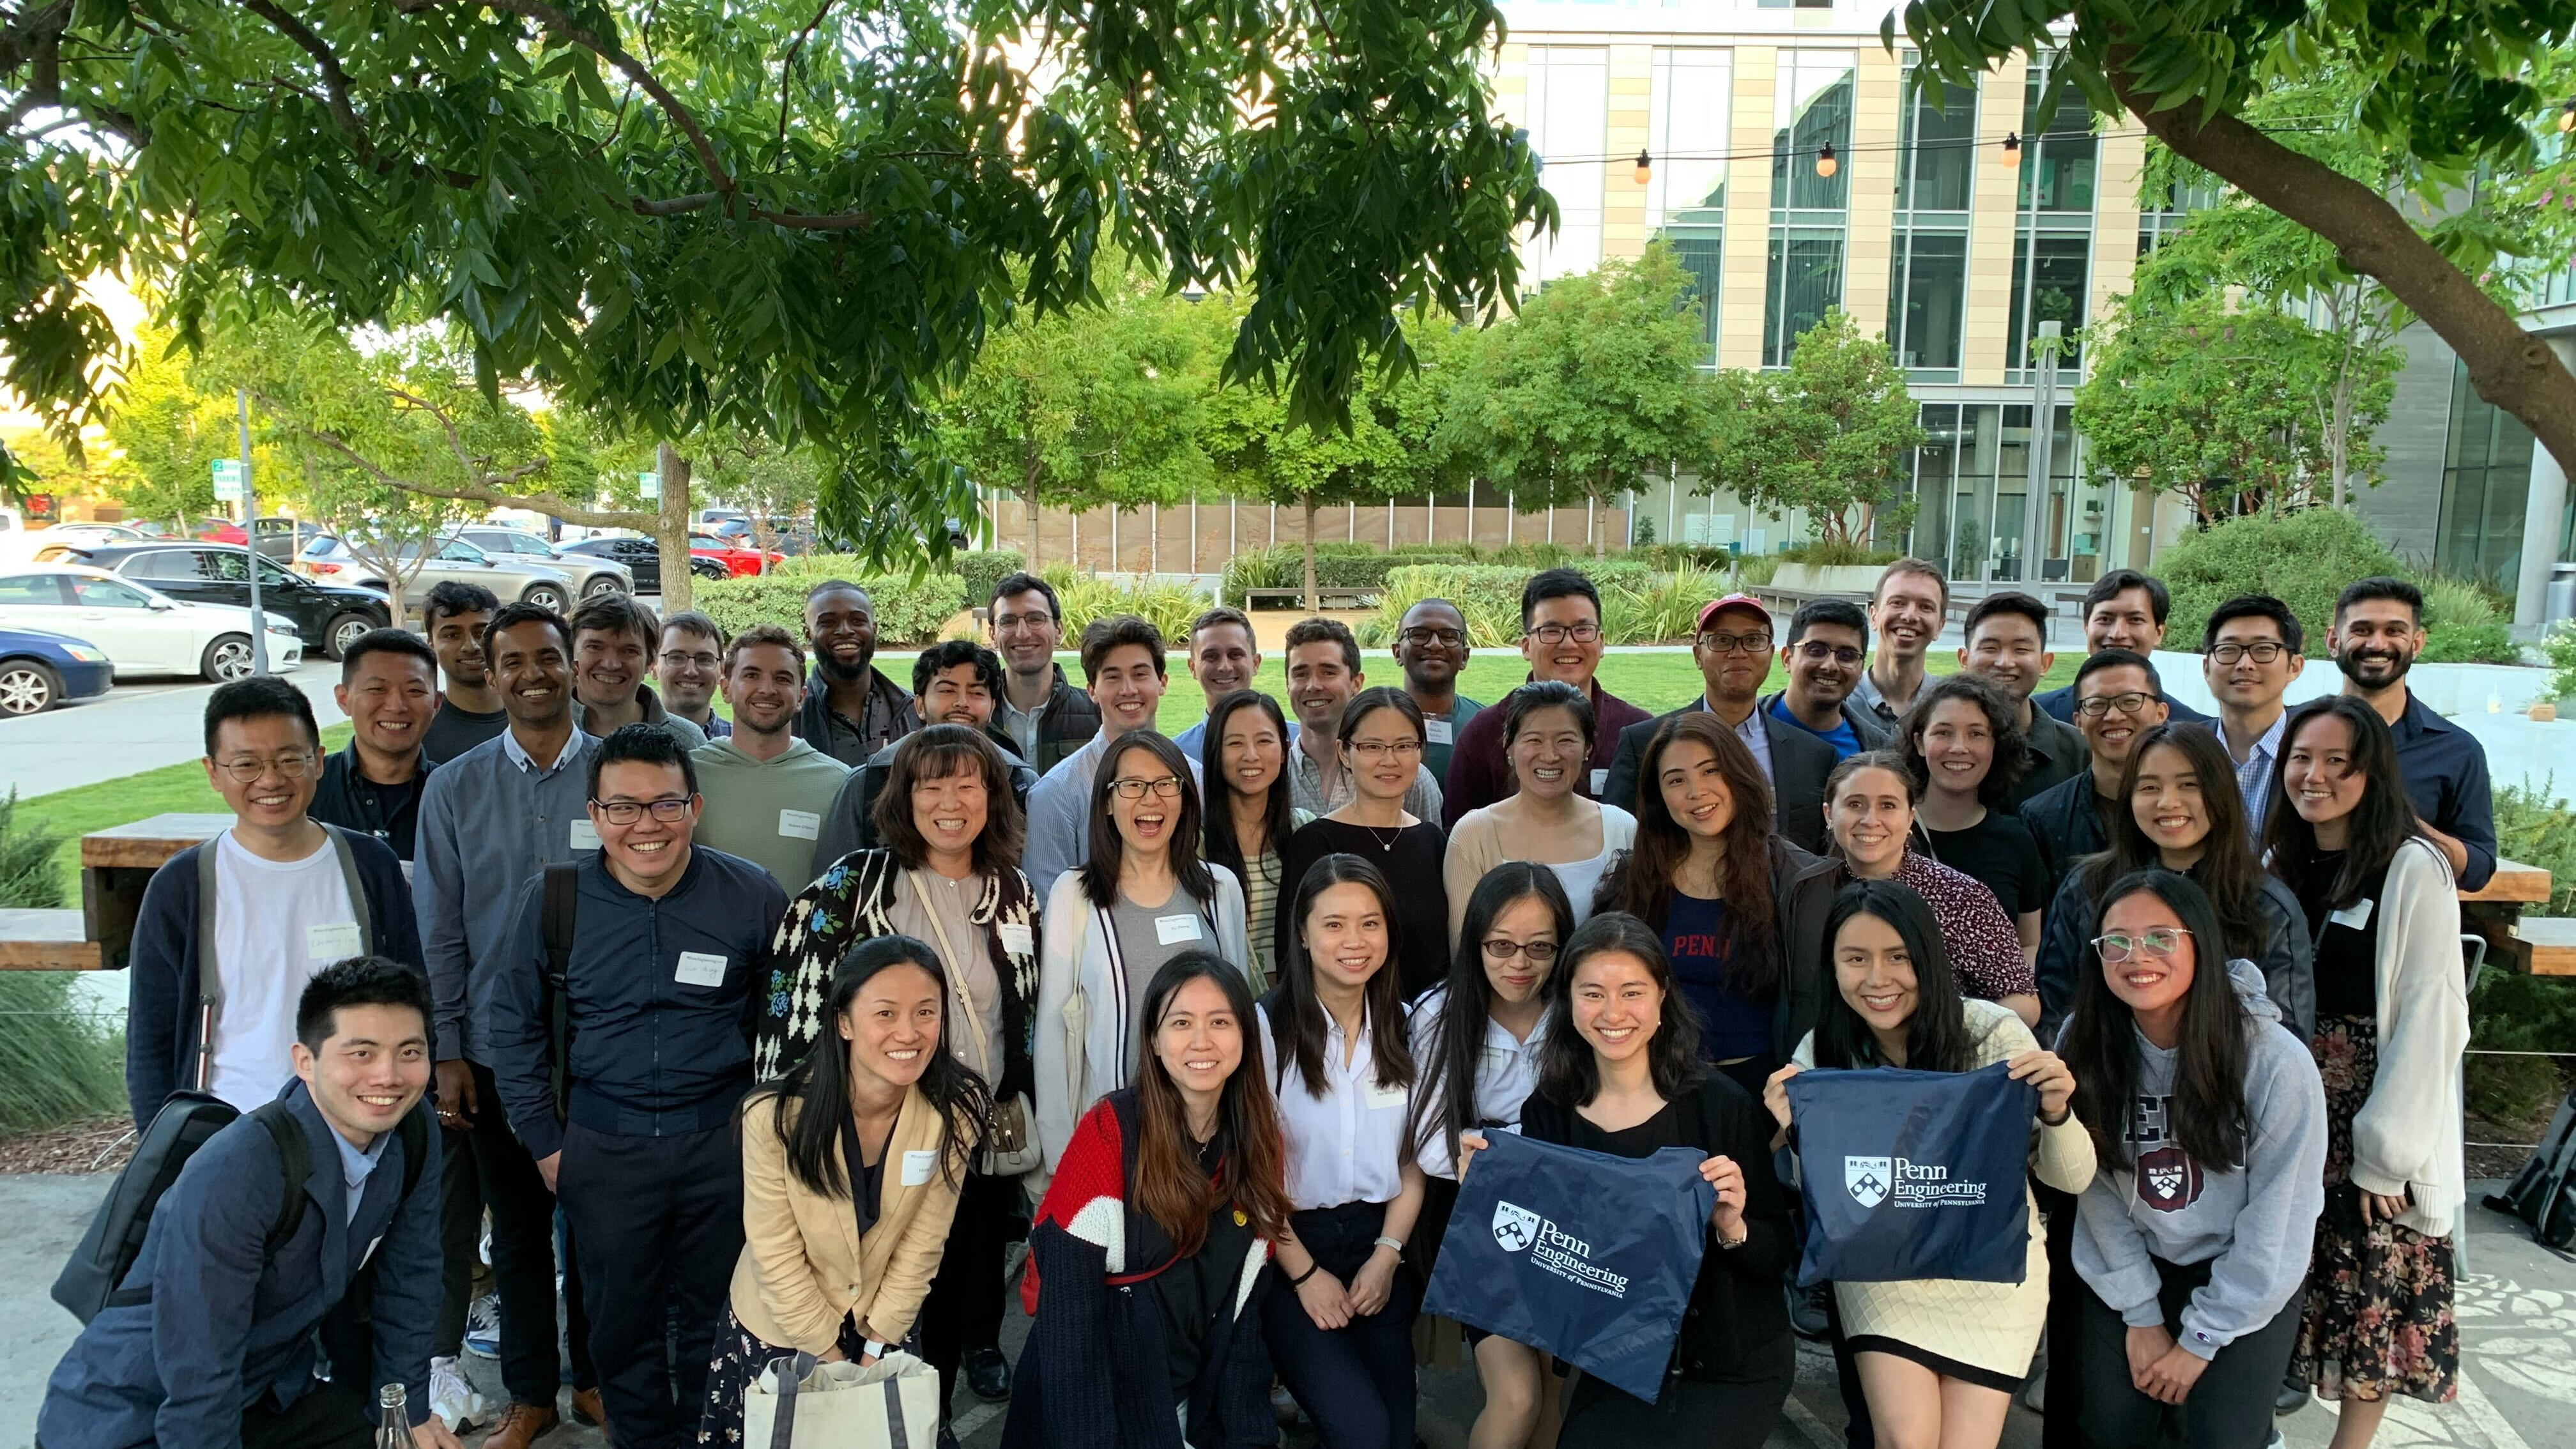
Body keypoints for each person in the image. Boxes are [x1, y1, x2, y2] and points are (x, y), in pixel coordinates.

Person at [484, 725, 787, 1449]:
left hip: (721, 1145)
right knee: (621, 1325)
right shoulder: (555, 900)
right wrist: (547, 1143)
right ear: (595, 814)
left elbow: (787, 1024)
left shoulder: (750, 895)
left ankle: (711, 1436)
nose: (644, 826)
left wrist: (766, 1132)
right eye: (623, 808)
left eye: (664, 805)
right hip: (602, 1145)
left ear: (695, 806)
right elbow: (511, 1023)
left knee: (722, 1316)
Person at [40, 958, 458, 1449]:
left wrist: (406, 1410)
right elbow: (200, 1369)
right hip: (137, 1417)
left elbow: (411, 1277)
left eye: (409, 1052)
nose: (388, 1076)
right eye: (361, 1053)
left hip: (268, 1392)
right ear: (305, 1061)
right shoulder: (240, 1170)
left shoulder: (412, 1131)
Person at [750, 723, 1043, 1419]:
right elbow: (793, 1007)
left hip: (973, 1138)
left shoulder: (1015, 892)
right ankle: (849, 1416)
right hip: (871, 1142)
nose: (950, 799)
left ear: (992, 796)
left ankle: (923, 1416)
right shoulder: (854, 884)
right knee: (870, 1293)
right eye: (930, 783)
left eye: (967, 783)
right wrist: (796, 1129)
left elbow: (1020, 1015)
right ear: (902, 798)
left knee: (952, 1282)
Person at [1763, 882, 2092, 1449]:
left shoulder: (1991, 1033)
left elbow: (2072, 1178)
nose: (1877, 979)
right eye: (1855, 959)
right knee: (1906, 1440)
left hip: (1988, 1275)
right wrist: (1794, 1133)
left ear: (1929, 958)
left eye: (1898, 957)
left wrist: (2059, 1112)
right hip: (1882, 1272)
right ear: (1832, 966)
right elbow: (1818, 1195)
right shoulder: (1820, 1056)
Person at [1466, 912, 1792, 1445]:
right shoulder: (1550, 1111)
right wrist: (1490, 1191)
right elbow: (1540, 1257)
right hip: (1618, 1358)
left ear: (1663, 997)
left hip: (1728, 1358)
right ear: (1568, 1003)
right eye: (1592, 993)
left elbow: (1776, 1251)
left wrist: (1733, 1226)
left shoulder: (1719, 1106)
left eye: (1632, 992)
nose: (1613, 1013)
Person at [411, 601, 602, 1446]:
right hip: (494, 1051)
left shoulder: (616, 776)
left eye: (548, 657)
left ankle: (596, 1378)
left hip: (603, 1045)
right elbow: (440, 932)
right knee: (520, 1232)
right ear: (491, 674)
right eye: (513, 660)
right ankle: (531, 1392)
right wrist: (447, 1050)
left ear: (572, 664)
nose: (533, 673)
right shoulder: (454, 789)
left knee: (603, 1226)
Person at [2059, 870, 2328, 1449]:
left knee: (2221, 1436)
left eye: (2161, 937)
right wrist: (2141, 1313)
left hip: (2241, 1271)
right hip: (2132, 1262)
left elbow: (2279, 1218)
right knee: (2109, 1428)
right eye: (2118, 942)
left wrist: (2201, 1338)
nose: (2138, 957)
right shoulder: (2083, 1042)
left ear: (2201, 943)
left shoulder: (2274, 1059)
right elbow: (2094, 1185)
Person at [2269, 696, 2471, 1438]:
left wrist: (2386, 1155)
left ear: (2372, 774)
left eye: (2336, 763)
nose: (2313, 776)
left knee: (2369, 1297)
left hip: (2370, 1116)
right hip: (2289, 1104)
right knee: (2289, 1283)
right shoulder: (2279, 861)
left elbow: (2432, 1014)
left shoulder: (2411, 867)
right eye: (2300, 758)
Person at [699, 935, 989, 1443]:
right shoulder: (773, 1116)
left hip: (886, 1322)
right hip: (783, 1329)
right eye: (885, 1013)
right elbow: (775, 1253)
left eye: (926, 1012)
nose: (909, 1032)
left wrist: (876, 1345)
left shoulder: (953, 1109)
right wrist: (832, 1360)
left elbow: (926, 1239)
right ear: (844, 1022)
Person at [1003, 953, 1293, 1449]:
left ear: (1245, 1038)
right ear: (1155, 1042)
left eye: (1220, 1022)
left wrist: (1250, 1432)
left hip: (1190, 1403)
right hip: (1098, 1406)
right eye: (1181, 1023)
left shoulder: (1258, 1142)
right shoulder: (1111, 1132)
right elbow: (1069, 1319)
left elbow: (1243, 1317)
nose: (1202, 1040)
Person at [128, 677, 423, 1126]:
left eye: (290, 760)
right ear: (212, 772)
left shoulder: (369, 866)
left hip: (358, 1127)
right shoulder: (184, 886)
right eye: (246, 764)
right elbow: (151, 1040)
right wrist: (165, 1154)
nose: (271, 780)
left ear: (319, 761)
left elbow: (414, 998)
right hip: (226, 1130)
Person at [1404, 863, 1572, 1449]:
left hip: (1563, 1213)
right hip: (1480, 1216)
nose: (1519, 964)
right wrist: (1469, 1154)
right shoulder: (1440, 1013)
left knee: (1555, 1387)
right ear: (1475, 940)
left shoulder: (1576, 1011)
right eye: (1500, 946)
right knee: (1516, 1393)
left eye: (1540, 947)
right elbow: (1425, 1138)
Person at [1261, 854, 1427, 1449]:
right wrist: (1304, 1275)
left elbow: (1412, 1163)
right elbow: (1250, 1174)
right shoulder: (1264, 1031)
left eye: (1370, 923)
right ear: (1302, 934)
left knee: (1398, 1439)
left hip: (1378, 1247)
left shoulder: (1409, 1028)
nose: (1354, 941)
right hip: (1290, 1250)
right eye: (1333, 924)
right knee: (1363, 1436)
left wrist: (1386, 1258)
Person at [1034, 730, 1252, 1170]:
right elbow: (1054, 1034)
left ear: (1186, 799)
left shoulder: (1221, 890)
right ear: (1107, 803)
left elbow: (1239, 1018)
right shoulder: (1075, 896)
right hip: (1115, 1140)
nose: (1150, 799)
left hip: (1210, 1135)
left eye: (1166, 784)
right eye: (1131, 785)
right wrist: (1062, 1159)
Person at [2034, 723, 2316, 1043]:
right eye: (2149, 788)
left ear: (2220, 793)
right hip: (2104, 1079)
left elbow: (2287, 1037)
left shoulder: (2266, 904)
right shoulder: (2087, 888)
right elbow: (2053, 1012)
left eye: (2189, 785)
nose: (2168, 802)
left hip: (2221, 1083)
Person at [1596, 712, 1813, 1098]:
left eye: (1710, 771)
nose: (1696, 791)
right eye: (1676, 780)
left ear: (1738, 774)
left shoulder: (1793, 880)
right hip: (1659, 1088)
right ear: (1659, 796)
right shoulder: (1633, 882)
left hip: (1765, 1094)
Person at [1780, 751, 2034, 1027]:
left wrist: (1945, 1032)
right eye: (1855, 804)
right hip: (1834, 1061)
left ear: (1911, 816)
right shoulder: (1806, 892)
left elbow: (2021, 1002)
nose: (1870, 820)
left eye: (1888, 806)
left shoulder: (1959, 895)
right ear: (1829, 814)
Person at [1601, 594, 1839, 853]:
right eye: (1722, 641)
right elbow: (1618, 843)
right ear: (1697, 655)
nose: (1738, 653)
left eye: (1753, 640)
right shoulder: (1643, 744)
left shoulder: (1813, 756)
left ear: (1771, 653)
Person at [1441, 568, 1652, 826]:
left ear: (1601, 642)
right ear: (1526, 646)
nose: (1569, 644)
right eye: (1551, 631)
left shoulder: (1638, 733)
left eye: (1583, 629)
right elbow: (1459, 839)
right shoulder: (1483, 735)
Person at [2328, 576, 2497, 891]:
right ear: (2333, 641)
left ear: (2417, 643)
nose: (2377, 644)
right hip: (2293, 925)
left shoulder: (2457, 750)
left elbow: (2479, 867)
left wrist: (2406, 827)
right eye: (2361, 630)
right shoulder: (2295, 733)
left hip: (2404, 924)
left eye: (2394, 631)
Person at [1280, 686, 1450, 997]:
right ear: (1345, 752)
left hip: (1429, 1030)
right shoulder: (1315, 843)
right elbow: (1292, 957)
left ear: (1420, 752)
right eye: (1372, 747)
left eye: (1403, 746)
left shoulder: (1433, 842)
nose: (1389, 760)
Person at [1445, 681, 1640, 945]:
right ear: (1509, 747)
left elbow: (1637, 940)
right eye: (1534, 740)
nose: (1549, 756)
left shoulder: (1623, 828)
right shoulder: (1473, 835)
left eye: (1566, 741)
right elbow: (1464, 949)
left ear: (1587, 749)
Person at [814, 640, 1038, 867]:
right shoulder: (868, 782)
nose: (962, 703)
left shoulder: (1020, 782)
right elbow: (833, 879)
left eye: (976, 693)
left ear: (992, 708)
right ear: (919, 705)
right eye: (947, 690)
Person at [1021, 615, 1201, 896]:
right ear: (1092, 690)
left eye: (1140, 674)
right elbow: (1046, 905)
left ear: (1162, 682)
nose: (1128, 689)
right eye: (1113, 676)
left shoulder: (1195, 778)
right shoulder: (1055, 794)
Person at [686, 624, 852, 891]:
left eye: (783, 678)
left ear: (801, 696)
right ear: (726, 689)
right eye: (751, 675)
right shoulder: (688, 775)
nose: (767, 689)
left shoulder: (839, 783)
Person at [1896, 673, 2048, 961]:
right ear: (1919, 743)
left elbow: (2028, 943)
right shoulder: (1887, 830)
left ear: (1995, 746)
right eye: (1943, 732)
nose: (1959, 747)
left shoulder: (2016, 842)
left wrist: (2011, 1003)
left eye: (1976, 734)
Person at [2020, 649, 2174, 889]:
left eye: (2130, 700)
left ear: (2161, 713)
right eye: (2097, 704)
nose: (2113, 716)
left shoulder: (2190, 807)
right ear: (2078, 721)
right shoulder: (2043, 817)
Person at [1201, 688, 1312, 992]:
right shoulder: (1194, 845)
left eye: (1264, 741)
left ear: (1285, 749)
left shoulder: (1305, 829)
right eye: (1235, 743)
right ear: (1215, 752)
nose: (1251, 755)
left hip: (1301, 1005)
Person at [1283, 616, 1443, 820]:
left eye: (1328, 672)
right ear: (1287, 685)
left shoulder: (1407, 778)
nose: (1313, 685)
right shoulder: (1274, 779)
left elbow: (1429, 845)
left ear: (1356, 683)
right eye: (1301, 674)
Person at [312, 627, 441, 861]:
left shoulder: (455, 794)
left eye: (414, 690)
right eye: (377, 689)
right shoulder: (307, 790)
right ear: (343, 699)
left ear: (437, 703)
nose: (396, 706)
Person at [1956, 591, 2087, 806]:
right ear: (1964, 659)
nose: (2005, 662)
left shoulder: (2077, 752)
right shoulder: (1936, 746)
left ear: (2045, 663)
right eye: (1990, 648)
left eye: (2021, 649)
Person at [2032, 571, 2209, 724]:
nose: (2118, 634)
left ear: (2159, 632)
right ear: (2086, 626)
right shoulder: (2037, 716)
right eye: (2105, 619)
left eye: (2135, 620)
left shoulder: (2193, 727)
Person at [2198, 594, 2308, 841]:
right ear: (2207, 668)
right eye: (2228, 650)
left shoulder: (2319, 756)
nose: (2245, 664)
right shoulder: (2182, 751)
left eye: (2264, 650)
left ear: (2294, 667)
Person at [987, 571, 1101, 774]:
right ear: (992, 634)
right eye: (1008, 621)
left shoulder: (1098, 716)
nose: (1022, 633)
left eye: (1035, 619)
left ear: (1058, 630)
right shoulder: (979, 720)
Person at [797, 578, 917, 763]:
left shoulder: (912, 710)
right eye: (828, 622)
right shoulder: (791, 715)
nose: (845, 631)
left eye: (857, 621)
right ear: (808, 634)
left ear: (874, 628)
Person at [569, 592, 707, 746]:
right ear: (569, 653)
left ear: (650, 662)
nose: (611, 664)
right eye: (595, 647)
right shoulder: (543, 732)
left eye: (629, 651)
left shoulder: (688, 742)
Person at [1765, 599, 1892, 759]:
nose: (1830, 666)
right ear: (1787, 658)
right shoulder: (1739, 730)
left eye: (1847, 656)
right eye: (1816, 650)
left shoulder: (1882, 754)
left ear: (1860, 669)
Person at [1171, 605, 1286, 755]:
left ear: (1255, 663)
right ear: (1192, 667)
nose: (1225, 667)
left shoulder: (1291, 742)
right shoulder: (1177, 755)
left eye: (1235, 654)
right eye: (1211, 656)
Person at [1392, 597, 1482, 786]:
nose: (1435, 645)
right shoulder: (1371, 725)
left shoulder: (1486, 725)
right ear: (1397, 652)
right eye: (1419, 634)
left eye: (1449, 636)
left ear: (1465, 656)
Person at [1853, 558, 1948, 727]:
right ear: (1874, 617)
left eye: (1925, 607)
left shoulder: (1950, 704)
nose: (1910, 616)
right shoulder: (1841, 702)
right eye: (1897, 603)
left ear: (1940, 626)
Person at [421, 580, 507, 763]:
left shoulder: (535, 716)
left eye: (481, 632)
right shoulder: (419, 731)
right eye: (452, 635)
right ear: (431, 646)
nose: (471, 646)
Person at [656, 609, 732, 739]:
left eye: (705, 659)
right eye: (676, 658)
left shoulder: (741, 746)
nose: (691, 671)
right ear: (653, 665)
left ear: (722, 669)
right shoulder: (626, 744)